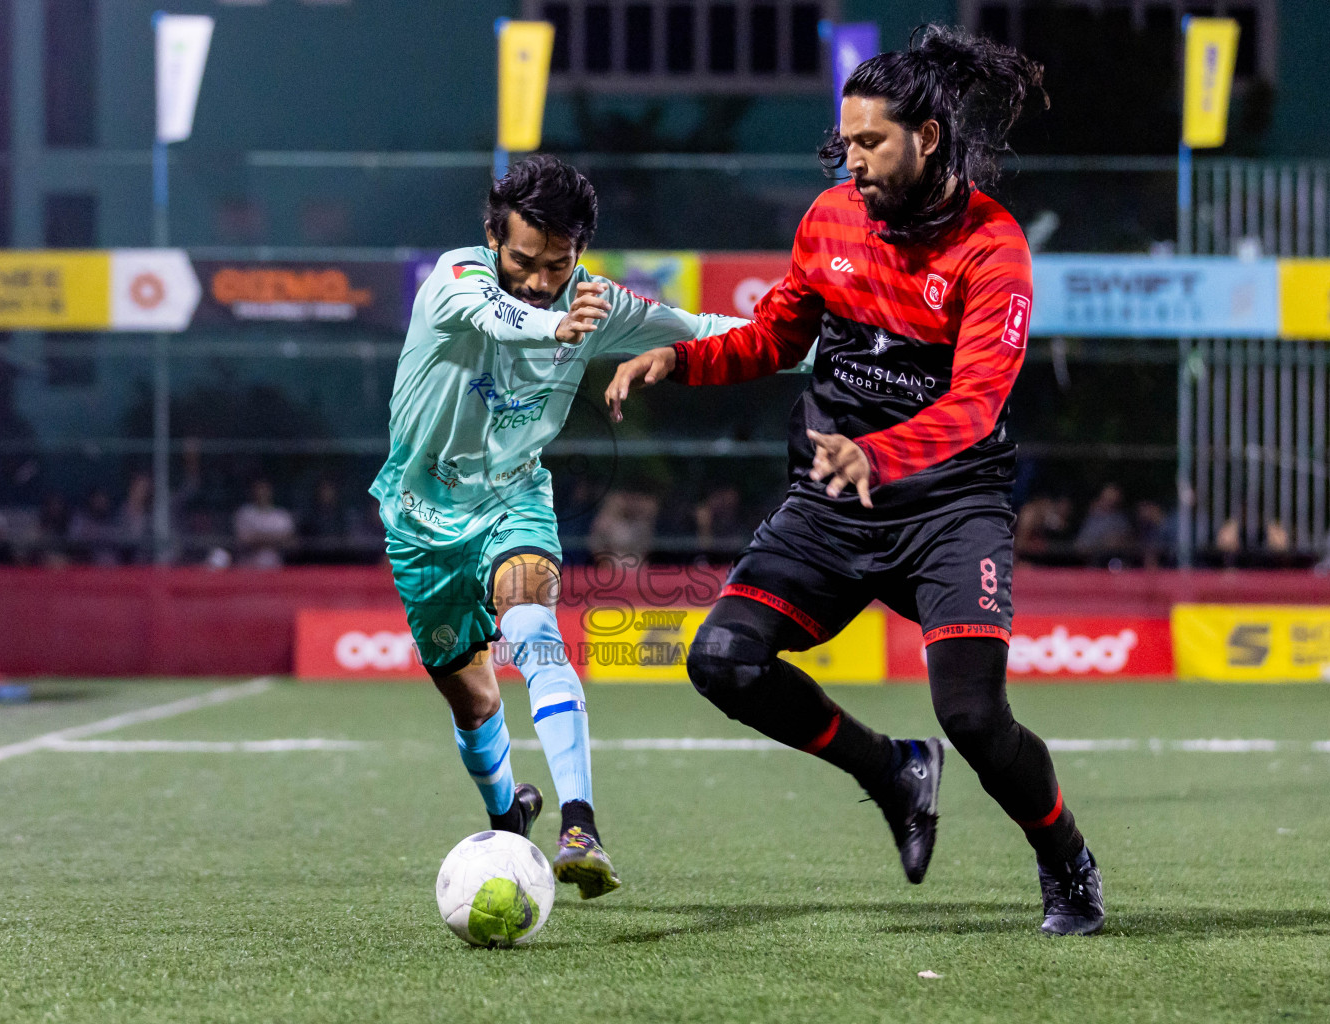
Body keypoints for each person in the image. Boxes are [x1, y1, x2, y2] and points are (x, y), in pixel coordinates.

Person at [604, 26, 1103, 935]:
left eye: (871, 142)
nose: (853, 160)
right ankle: (891, 772)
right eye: (847, 143)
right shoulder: (831, 218)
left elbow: (978, 401)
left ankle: (1066, 860)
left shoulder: (994, 248)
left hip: (951, 506)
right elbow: (776, 338)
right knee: (723, 659)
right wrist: (680, 361)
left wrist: (880, 452)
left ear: (929, 138)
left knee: (975, 717)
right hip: (830, 504)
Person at [369, 154, 750, 898]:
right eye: (525, 260)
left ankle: (581, 823)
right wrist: (554, 325)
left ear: (580, 251)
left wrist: (829, 348)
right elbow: (496, 317)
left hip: (512, 500)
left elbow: (708, 329)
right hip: (419, 520)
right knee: (474, 700)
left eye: (560, 263)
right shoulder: (456, 279)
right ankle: (510, 815)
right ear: (492, 237)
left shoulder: (595, 303)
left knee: (533, 620)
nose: (542, 278)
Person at [233, 479, 297, 568]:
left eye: (265, 489)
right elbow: (245, 539)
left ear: (271, 491)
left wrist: (258, 536)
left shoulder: (281, 515)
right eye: (259, 489)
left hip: (275, 567)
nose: (262, 492)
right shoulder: (245, 513)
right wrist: (276, 538)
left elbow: (290, 542)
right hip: (248, 568)